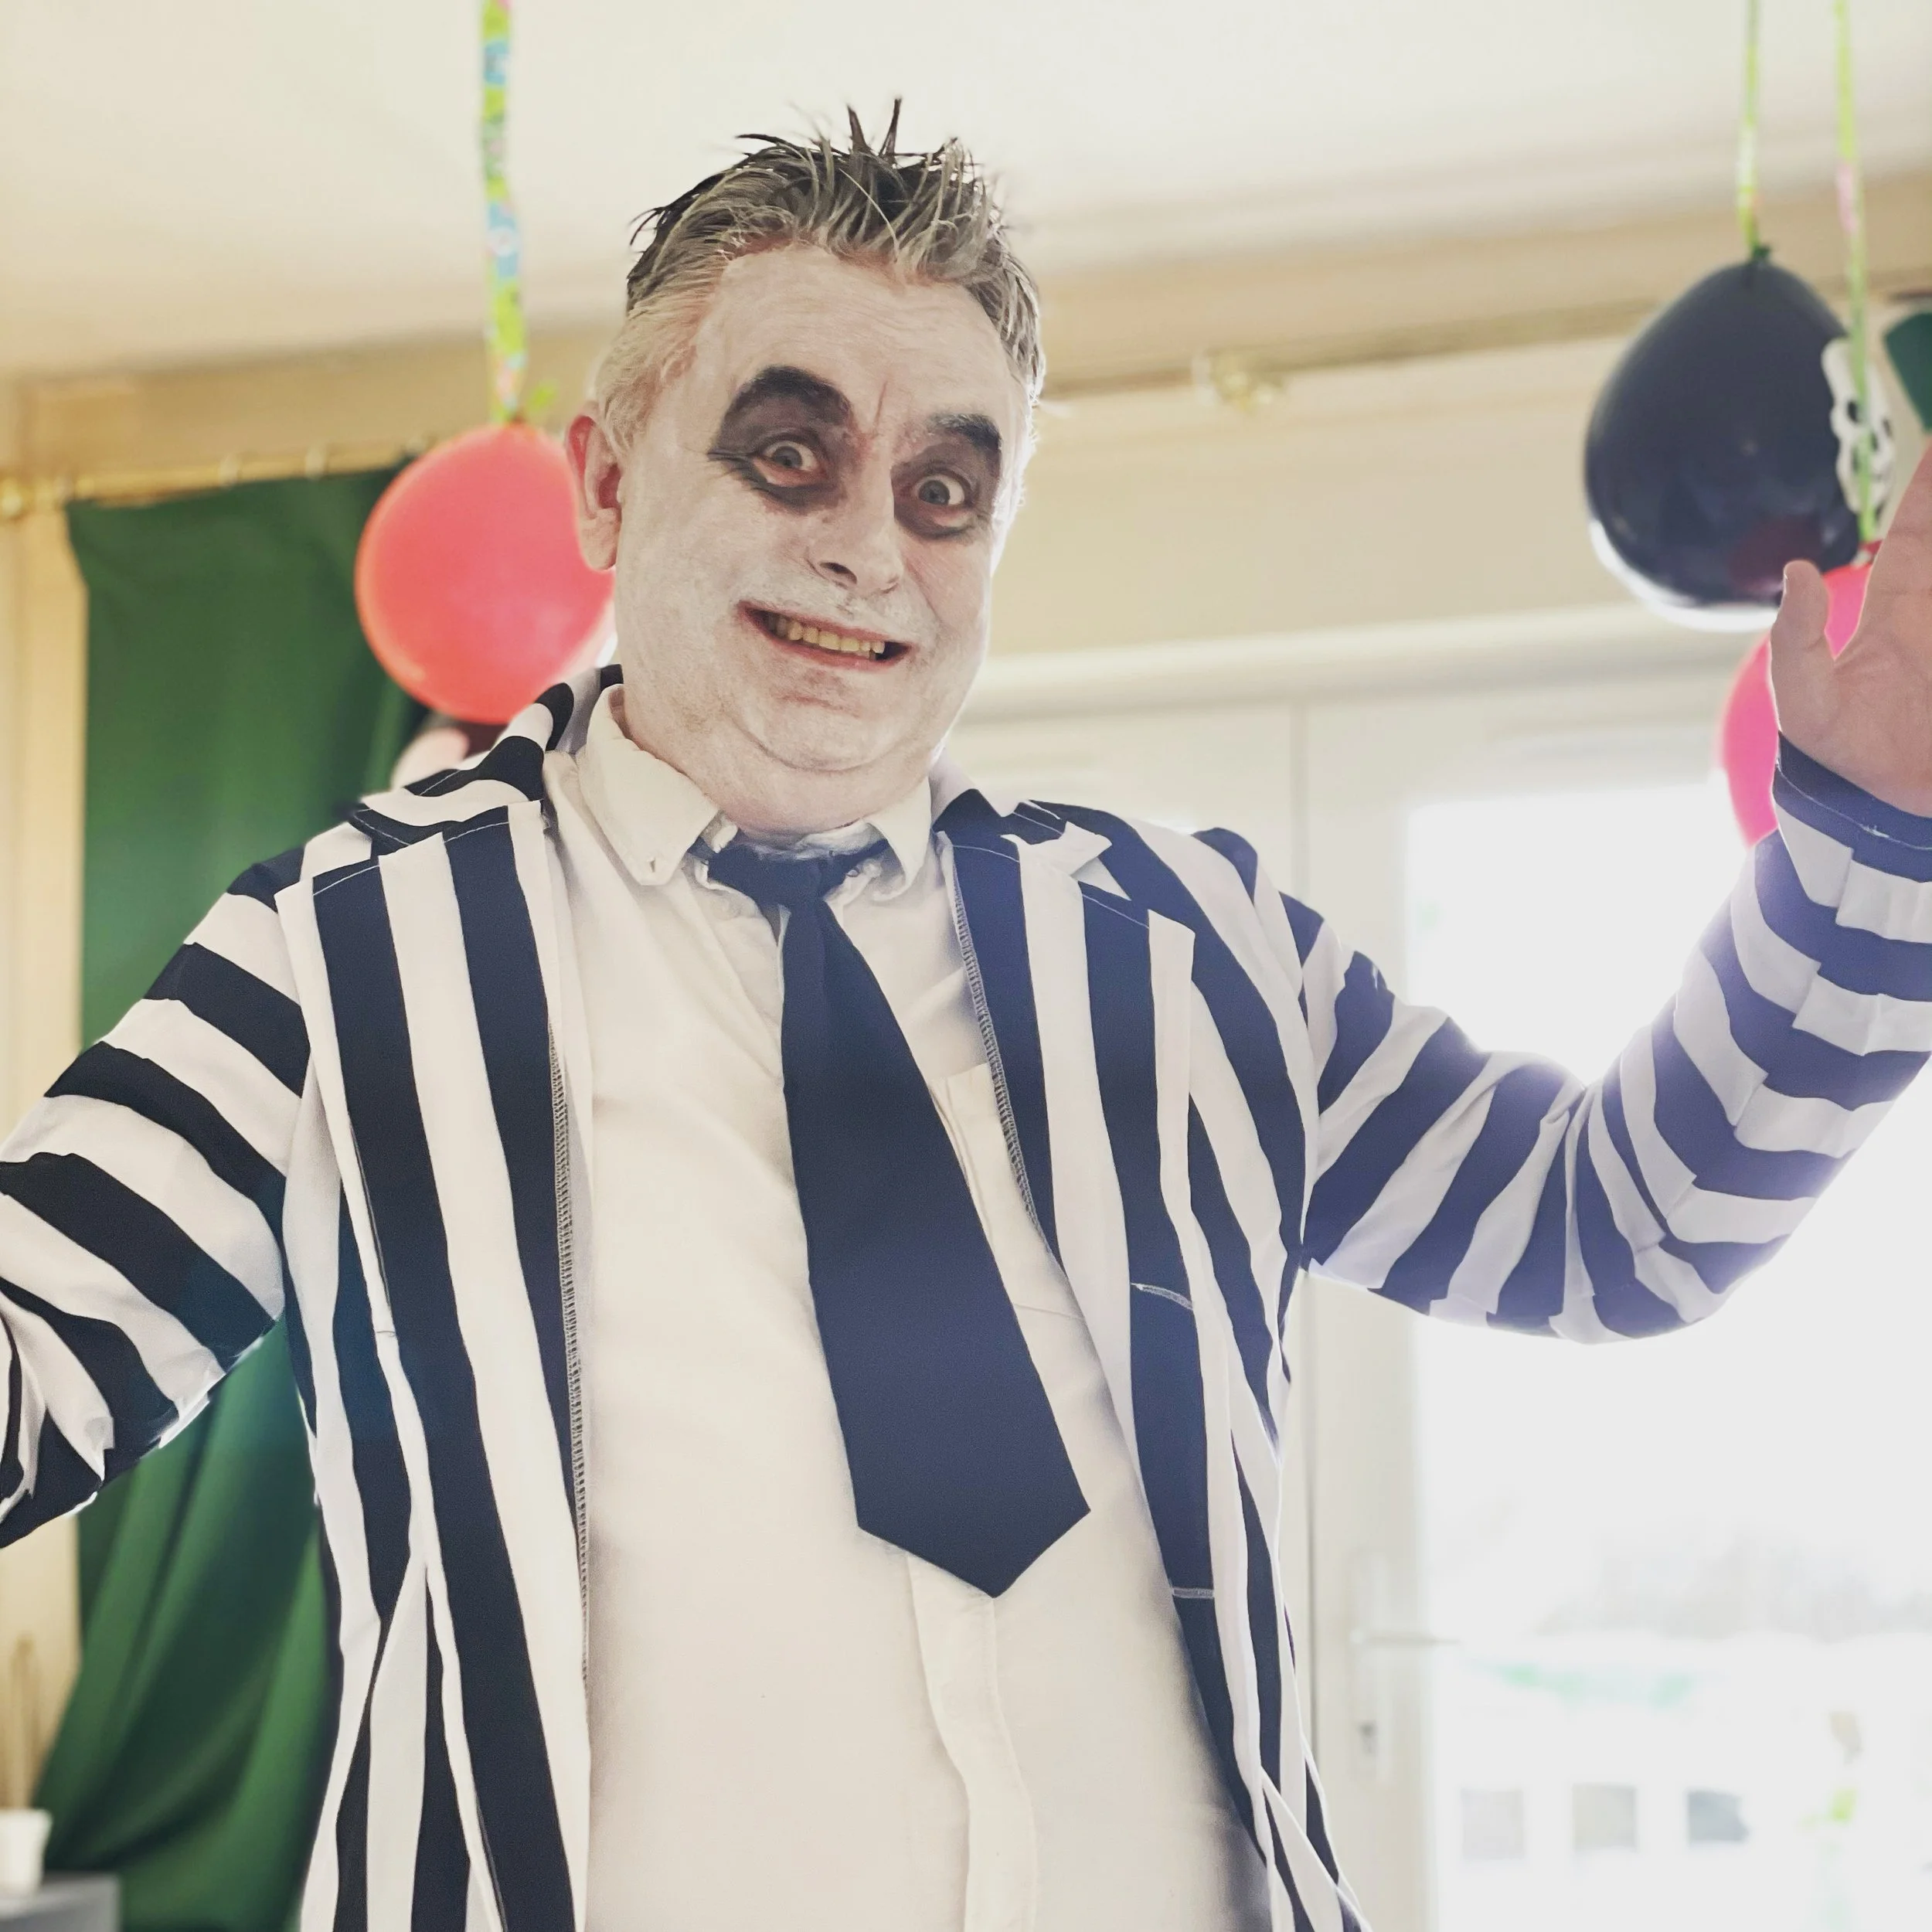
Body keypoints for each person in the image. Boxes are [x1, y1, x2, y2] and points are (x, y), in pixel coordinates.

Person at [5, 111, 1932, 1932]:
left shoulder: (1190, 943)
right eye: (787, 448)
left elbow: (1612, 1228)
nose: (872, 546)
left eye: (945, 483)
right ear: (606, 476)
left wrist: (1869, 845)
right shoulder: (338, 957)